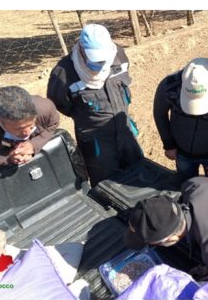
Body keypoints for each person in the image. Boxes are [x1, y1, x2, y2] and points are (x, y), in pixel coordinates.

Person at [47, 23, 142, 186]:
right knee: (105, 184)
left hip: (124, 129)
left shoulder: (118, 54)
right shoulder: (63, 72)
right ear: (82, 49)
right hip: (96, 141)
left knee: (138, 172)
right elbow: (61, 103)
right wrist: (88, 117)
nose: (101, 63)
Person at [0, 86, 60, 170]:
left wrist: (33, 145)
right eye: (18, 129)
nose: (27, 133)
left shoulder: (45, 108)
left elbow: (53, 124)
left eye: (31, 125)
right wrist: (7, 157)